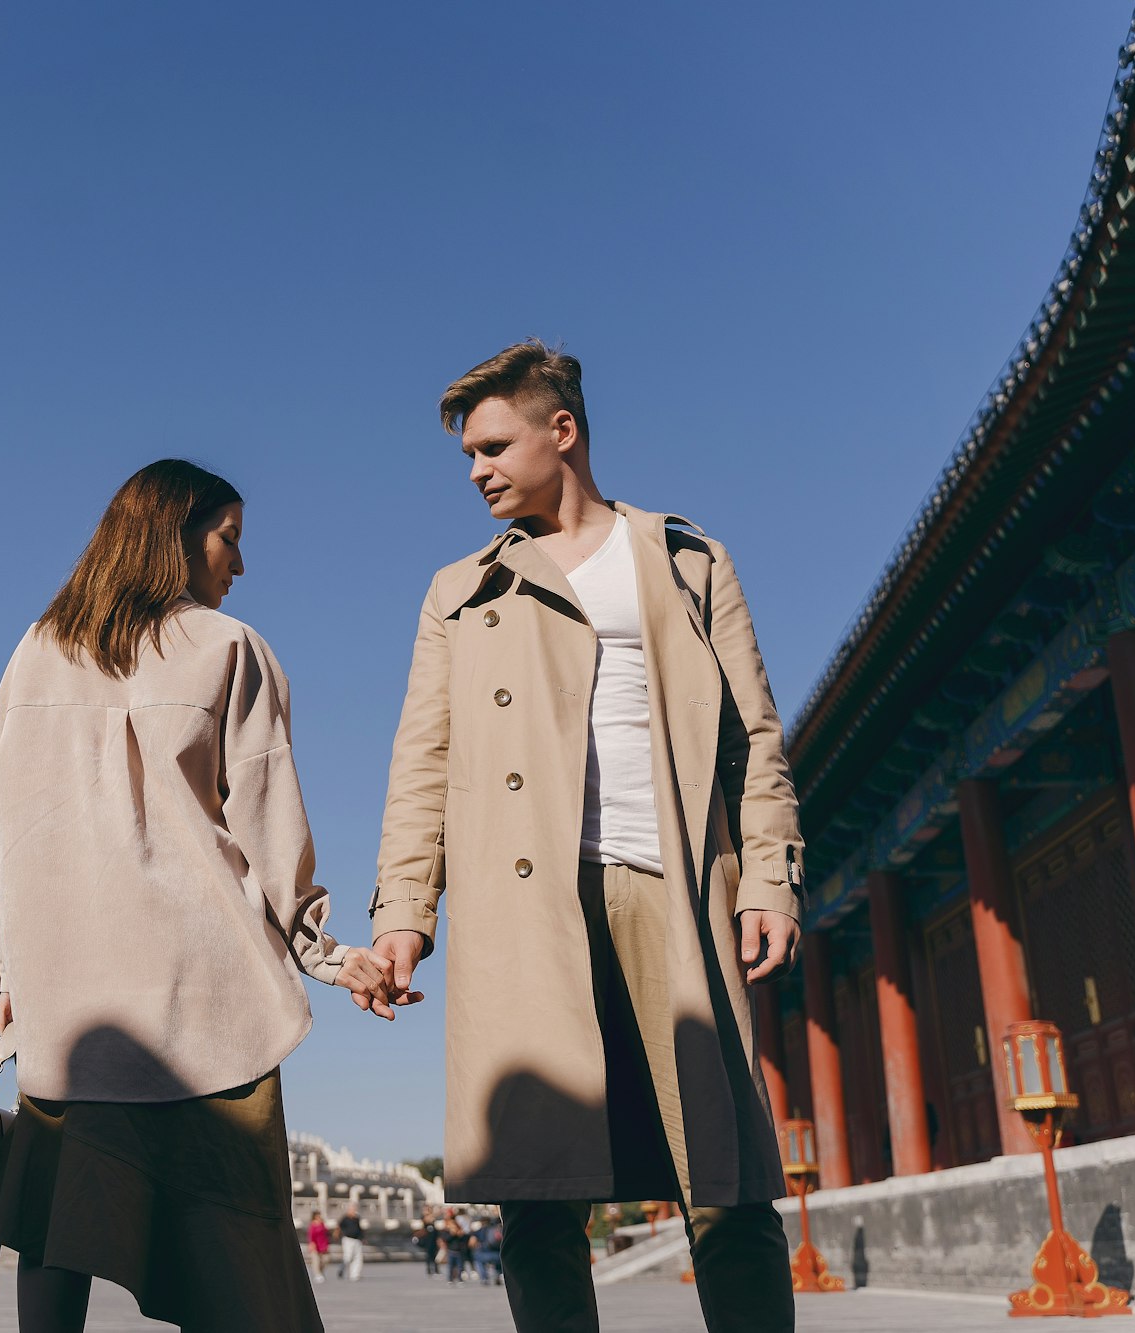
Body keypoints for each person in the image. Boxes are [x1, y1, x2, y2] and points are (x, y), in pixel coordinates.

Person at [370, 341, 802, 1333]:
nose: (475, 470)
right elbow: (419, 764)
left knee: (726, 1182)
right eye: (466, 455)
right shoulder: (457, 590)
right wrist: (403, 911)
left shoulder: (686, 560)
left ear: (558, 430)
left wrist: (769, 876)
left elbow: (754, 733)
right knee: (536, 1193)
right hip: (524, 903)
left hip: (677, 887)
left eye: (490, 446)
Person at [0, 459, 401, 1333]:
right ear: (174, 534)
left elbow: (1, 843)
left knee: (55, 1245)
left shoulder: (33, 651)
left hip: (71, 1013)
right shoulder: (228, 647)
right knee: (239, 1261)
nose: (238, 565)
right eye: (228, 538)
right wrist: (326, 954)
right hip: (205, 1005)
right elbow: (269, 827)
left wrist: (12, 966)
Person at [337, 1205, 364, 1282]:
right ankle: (342, 1268)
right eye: (352, 1210)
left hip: (357, 1240)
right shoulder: (345, 1218)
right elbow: (339, 1226)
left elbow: (359, 1228)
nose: (353, 1212)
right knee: (348, 1256)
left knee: (358, 1257)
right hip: (348, 1239)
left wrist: (362, 1237)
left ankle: (355, 1274)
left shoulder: (357, 1218)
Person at [306, 1211, 330, 1284]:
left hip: (323, 1244)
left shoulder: (322, 1224)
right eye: (318, 1215)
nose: (319, 1217)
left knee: (325, 1259)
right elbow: (310, 1235)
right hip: (315, 1245)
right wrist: (311, 1244)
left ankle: (320, 1272)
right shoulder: (312, 1225)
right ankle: (317, 1274)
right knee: (316, 1260)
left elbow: (326, 1233)